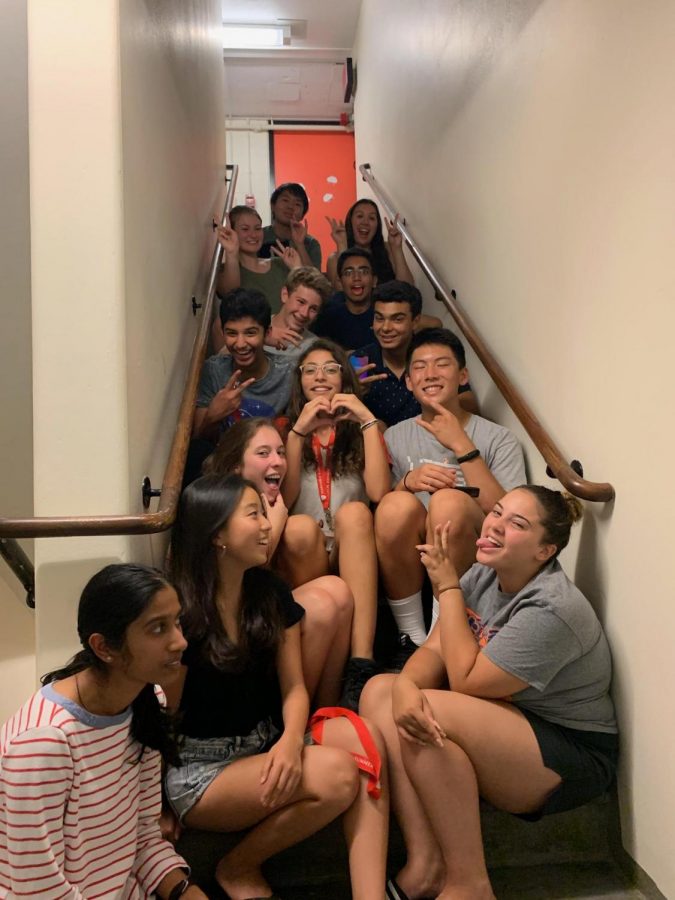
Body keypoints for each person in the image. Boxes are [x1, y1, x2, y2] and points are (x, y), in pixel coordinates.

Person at [362, 486, 618, 900]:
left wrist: (446, 588)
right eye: (496, 513)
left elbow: (466, 681)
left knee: (427, 710)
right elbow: (436, 649)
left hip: (571, 752)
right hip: (511, 723)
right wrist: (406, 684)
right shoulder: (485, 572)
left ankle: (470, 884)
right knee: (380, 692)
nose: (496, 525)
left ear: (544, 551)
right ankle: (427, 862)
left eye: (517, 524)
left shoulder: (551, 607)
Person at [166, 474, 389, 900]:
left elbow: (294, 687)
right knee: (340, 774)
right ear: (217, 536)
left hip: (267, 740)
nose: (269, 524)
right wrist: (154, 808)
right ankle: (239, 864)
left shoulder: (268, 591)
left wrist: (289, 741)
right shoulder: (180, 611)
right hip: (203, 769)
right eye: (254, 514)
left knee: (364, 737)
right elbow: (159, 715)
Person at [0, 563, 208, 900]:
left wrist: (184, 891)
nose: (180, 641)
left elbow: (144, 839)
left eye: (177, 622)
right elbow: (38, 893)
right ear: (103, 647)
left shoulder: (146, 698)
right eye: (158, 629)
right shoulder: (42, 744)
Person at [376, 327, 526, 665]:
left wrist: (462, 446)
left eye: (441, 364)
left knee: (447, 501)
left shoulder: (497, 438)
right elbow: (380, 509)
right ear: (408, 382)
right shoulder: (396, 436)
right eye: (419, 367)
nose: (430, 374)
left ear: (462, 376)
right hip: (414, 552)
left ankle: (446, 636)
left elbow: (513, 516)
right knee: (394, 504)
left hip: (471, 547)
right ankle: (412, 636)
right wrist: (407, 482)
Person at [204, 417, 353, 706]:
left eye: (281, 452)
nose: (278, 461)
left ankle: (327, 708)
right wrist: (274, 522)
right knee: (322, 604)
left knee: (338, 590)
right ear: (236, 465)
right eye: (263, 453)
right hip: (232, 632)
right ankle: (289, 715)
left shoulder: (274, 505)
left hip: (273, 613)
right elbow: (233, 579)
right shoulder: (214, 505)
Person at [283, 340, 391, 709]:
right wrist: (298, 432)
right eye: (310, 369)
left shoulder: (367, 426)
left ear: (344, 377)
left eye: (330, 368)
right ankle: (313, 638)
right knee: (297, 526)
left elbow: (378, 491)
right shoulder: (284, 427)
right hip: (306, 551)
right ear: (299, 380)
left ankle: (361, 662)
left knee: (357, 512)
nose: (320, 377)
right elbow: (282, 497)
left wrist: (365, 420)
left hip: (353, 547)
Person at [353, 280, 478, 427]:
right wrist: (354, 393)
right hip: (377, 442)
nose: (385, 327)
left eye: (397, 319)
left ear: (415, 321)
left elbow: (468, 402)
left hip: (430, 438)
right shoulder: (360, 360)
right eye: (379, 318)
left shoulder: (431, 354)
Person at [193, 288, 293, 442]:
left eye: (250, 333)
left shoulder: (287, 374)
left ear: (267, 334)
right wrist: (213, 415)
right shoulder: (213, 371)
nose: (240, 344)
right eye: (232, 333)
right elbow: (200, 439)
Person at [215, 205, 301, 324]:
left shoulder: (281, 263)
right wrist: (231, 251)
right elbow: (229, 292)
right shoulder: (227, 270)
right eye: (245, 229)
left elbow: (306, 300)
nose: (253, 235)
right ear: (232, 231)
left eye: (258, 228)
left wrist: (297, 269)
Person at [326, 199, 414, 289]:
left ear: (377, 226)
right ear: (350, 222)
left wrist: (396, 248)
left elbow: (409, 290)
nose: (365, 222)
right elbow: (339, 295)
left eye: (371, 218)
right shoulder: (334, 259)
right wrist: (342, 246)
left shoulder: (387, 249)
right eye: (360, 216)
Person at [264, 265, 331, 360]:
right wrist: (262, 337)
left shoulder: (315, 347)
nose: (304, 313)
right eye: (301, 302)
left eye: (313, 309)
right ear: (285, 295)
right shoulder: (255, 329)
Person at [258, 182, 322, 269]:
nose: (290, 207)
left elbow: (314, 280)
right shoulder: (258, 236)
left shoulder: (311, 244)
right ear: (273, 206)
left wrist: (300, 245)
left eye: (297, 204)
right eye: (285, 200)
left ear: (303, 214)